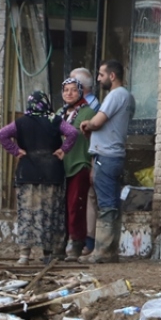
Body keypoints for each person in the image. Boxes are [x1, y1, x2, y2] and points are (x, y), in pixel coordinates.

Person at [0, 91, 79, 264]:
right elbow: (72, 132)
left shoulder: (21, 122)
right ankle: (48, 254)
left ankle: (24, 255)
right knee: (49, 212)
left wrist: (16, 151)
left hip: (27, 173)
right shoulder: (54, 120)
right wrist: (63, 150)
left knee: (27, 214)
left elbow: (1, 134)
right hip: (52, 173)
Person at [79, 60, 135, 264]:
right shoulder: (128, 97)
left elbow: (97, 122)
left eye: (101, 75)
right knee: (112, 202)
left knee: (106, 204)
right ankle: (110, 250)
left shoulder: (115, 95)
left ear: (112, 76)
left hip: (107, 155)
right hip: (114, 155)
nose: (98, 79)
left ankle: (102, 251)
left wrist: (86, 124)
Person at [57, 77, 96, 261]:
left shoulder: (88, 112)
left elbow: (91, 138)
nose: (69, 93)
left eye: (73, 90)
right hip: (60, 166)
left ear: (80, 92)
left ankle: (76, 244)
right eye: (66, 90)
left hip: (80, 163)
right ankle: (61, 243)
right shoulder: (59, 113)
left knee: (76, 206)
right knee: (61, 207)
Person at [70, 67, 99, 255]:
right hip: (74, 159)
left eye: (72, 85)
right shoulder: (71, 108)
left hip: (85, 159)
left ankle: (87, 241)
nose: (68, 90)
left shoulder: (90, 108)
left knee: (87, 200)